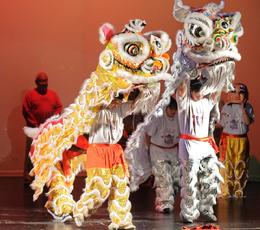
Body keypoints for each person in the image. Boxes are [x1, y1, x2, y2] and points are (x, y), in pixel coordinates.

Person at [73, 92, 142, 230]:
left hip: (115, 150)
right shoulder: (96, 108)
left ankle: (121, 220)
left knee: (120, 186)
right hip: (98, 150)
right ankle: (80, 209)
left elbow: (137, 104)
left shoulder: (120, 108)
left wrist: (147, 89)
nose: (117, 103)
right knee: (101, 188)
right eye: (115, 99)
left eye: (119, 100)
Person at [176, 76, 222, 223]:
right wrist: (185, 72)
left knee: (210, 176)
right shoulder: (184, 102)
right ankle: (188, 213)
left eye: (203, 91)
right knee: (190, 181)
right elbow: (182, 88)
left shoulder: (207, 102)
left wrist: (221, 70)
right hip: (189, 145)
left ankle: (207, 209)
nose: (200, 94)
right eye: (197, 92)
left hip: (204, 145)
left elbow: (216, 90)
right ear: (192, 90)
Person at [22, 72, 63, 184]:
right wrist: (35, 124)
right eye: (41, 81)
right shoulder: (29, 95)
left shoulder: (53, 94)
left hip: (47, 129)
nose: (44, 84)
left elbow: (59, 107)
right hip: (34, 129)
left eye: (46, 81)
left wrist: (51, 121)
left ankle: (47, 175)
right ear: (36, 82)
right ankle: (28, 176)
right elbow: (26, 110)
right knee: (31, 154)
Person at [218, 83, 254, 198]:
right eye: (234, 92)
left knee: (239, 165)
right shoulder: (227, 107)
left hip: (241, 140)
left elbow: (248, 122)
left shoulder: (248, 107)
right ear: (229, 94)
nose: (237, 95)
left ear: (246, 96)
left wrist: (243, 108)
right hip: (227, 139)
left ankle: (238, 191)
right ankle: (226, 191)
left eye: (241, 93)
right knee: (226, 164)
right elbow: (222, 124)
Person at [145, 96, 180, 213]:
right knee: (163, 178)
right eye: (171, 110)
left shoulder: (178, 117)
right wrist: (147, 149)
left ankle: (163, 199)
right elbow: (148, 134)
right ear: (166, 108)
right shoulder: (157, 117)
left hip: (173, 151)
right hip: (158, 151)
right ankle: (163, 204)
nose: (173, 112)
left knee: (174, 181)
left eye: (175, 110)